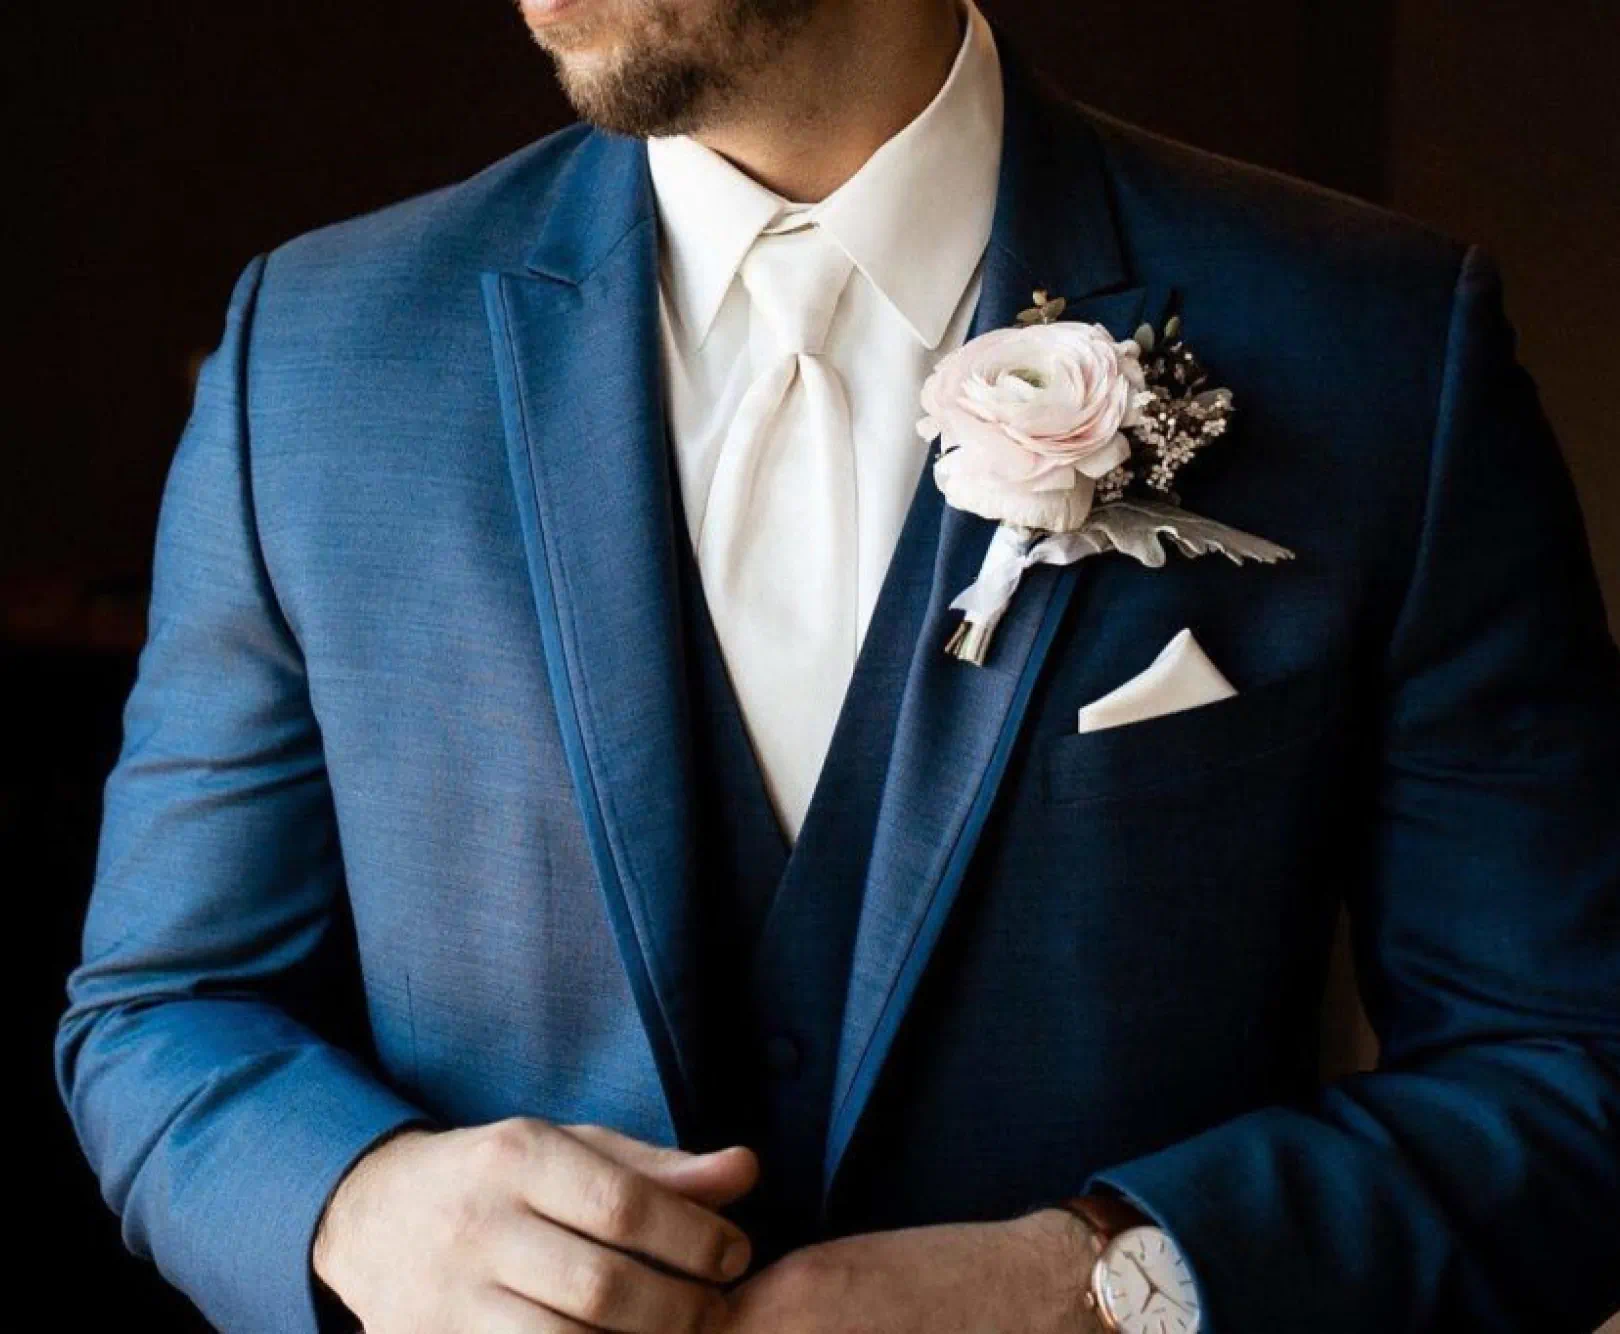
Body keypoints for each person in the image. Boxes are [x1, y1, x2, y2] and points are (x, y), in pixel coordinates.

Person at [55, 0, 1620, 1330]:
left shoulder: (1380, 348)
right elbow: (160, 1007)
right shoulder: (320, 352)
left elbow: (1570, 1072)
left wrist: (1101, 1283)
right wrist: (359, 1203)